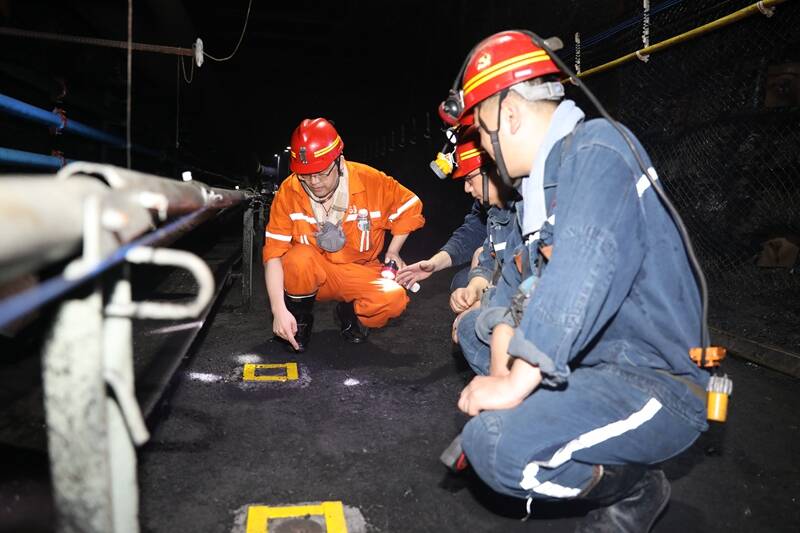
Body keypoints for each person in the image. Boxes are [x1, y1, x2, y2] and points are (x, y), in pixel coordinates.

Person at [442, 30, 711, 532]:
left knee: (495, 447)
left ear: (510, 115)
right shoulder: (543, 191)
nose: (483, 148)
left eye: (480, 131)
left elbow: (582, 266)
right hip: (593, 368)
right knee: (484, 377)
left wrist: (516, 382)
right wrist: (502, 363)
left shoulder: (597, 147)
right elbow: (522, 291)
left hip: (656, 380)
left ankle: (634, 486)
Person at [263, 118, 424, 352]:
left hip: (359, 270)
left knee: (393, 298)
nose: (314, 182)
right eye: (305, 175)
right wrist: (278, 310)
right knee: (297, 259)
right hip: (314, 273)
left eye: (322, 173)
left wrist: (393, 251)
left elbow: (410, 206)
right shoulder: (289, 191)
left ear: (339, 160)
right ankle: (299, 320)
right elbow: (273, 255)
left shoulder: (371, 181)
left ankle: (350, 311)